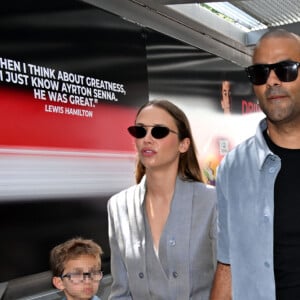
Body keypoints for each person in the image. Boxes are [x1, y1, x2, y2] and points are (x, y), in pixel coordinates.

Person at [210, 29, 300, 300]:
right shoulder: (233, 169)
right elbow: (227, 264)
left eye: (285, 69)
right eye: (260, 73)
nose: (272, 81)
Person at [107, 99, 217, 299]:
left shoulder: (213, 202)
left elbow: (230, 282)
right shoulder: (118, 206)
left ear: (183, 145)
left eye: (159, 132)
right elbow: (121, 291)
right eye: (140, 131)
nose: (147, 139)